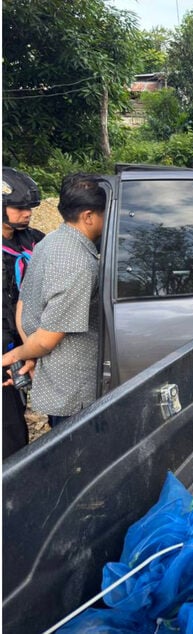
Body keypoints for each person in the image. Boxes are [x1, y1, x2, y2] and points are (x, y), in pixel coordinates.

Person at [1, 174, 106, 428]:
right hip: (73, 392)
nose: (26, 213)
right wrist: (17, 354)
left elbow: (23, 305)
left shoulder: (47, 242)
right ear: (88, 216)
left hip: (56, 380)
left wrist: (31, 353)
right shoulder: (78, 263)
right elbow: (47, 339)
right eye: (105, 213)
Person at [2, 167, 44, 458]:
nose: (27, 213)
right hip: (6, 348)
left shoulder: (33, 240)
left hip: (28, 343)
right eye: (19, 208)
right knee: (10, 432)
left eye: (29, 207)